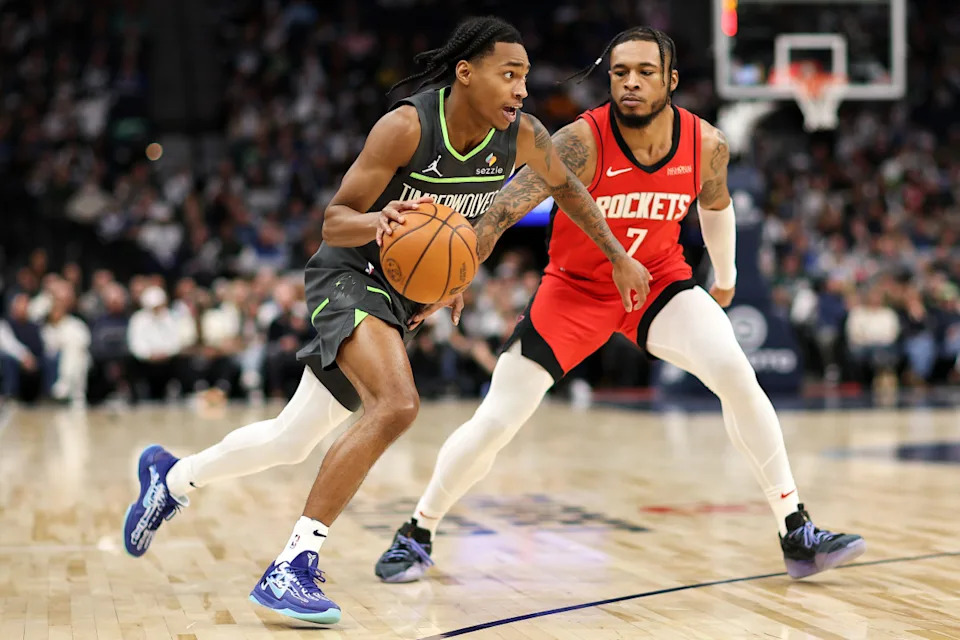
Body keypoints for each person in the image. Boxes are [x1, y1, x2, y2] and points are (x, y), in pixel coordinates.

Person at [122, 16, 651, 625]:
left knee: (292, 440)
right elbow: (334, 219)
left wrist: (614, 255)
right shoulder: (406, 126)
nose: (522, 90)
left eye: (525, 77)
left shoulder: (523, 135)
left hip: (399, 297)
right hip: (347, 275)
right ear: (466, 73)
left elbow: (568, 189)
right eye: (509, 75)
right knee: (397, 404)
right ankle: (292, 566)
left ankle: (172, 477)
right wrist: (380, 222)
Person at [374, 27, 866, 585]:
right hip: (574, 288)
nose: (630, 83)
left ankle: (795, 529)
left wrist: (724, 281)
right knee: (497, 420)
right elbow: (502, 211)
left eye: (645, 72)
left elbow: (717, 206)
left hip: (657, 282)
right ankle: (419, 528)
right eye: (619, 72)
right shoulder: (580, 141)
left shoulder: (706, 145)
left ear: (671, 80)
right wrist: (456, 272)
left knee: (735, 370)